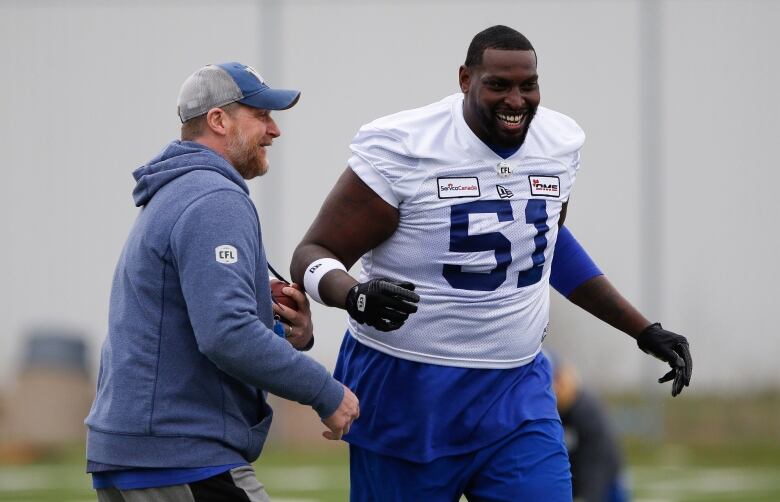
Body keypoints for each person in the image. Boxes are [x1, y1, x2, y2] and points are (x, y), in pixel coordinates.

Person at [290, 26, 692, 501]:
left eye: (528, 84)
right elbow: (311, 254)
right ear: (466, 79)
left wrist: (641, 329)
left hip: (516, 387)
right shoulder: (406, 148)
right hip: (407, 387)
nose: (516, 100)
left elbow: (546, 245)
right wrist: (353, 294)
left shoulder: (557, 144)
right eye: (499, 85)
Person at [84, 62, 359, 501]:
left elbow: (191, 321)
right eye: (262, 116)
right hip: (182, 455)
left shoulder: (175, 191)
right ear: (218, 120)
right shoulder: (214, 199)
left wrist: (281, 328)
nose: (274, 131)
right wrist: (326, 393)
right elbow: (227, 333)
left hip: (142, 453)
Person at [550, 351, 630, 502]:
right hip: (576, 481)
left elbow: (596, 462)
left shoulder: (586, 411)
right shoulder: (552, 411)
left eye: (556, 380)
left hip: (607, 480)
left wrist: (587, 496)